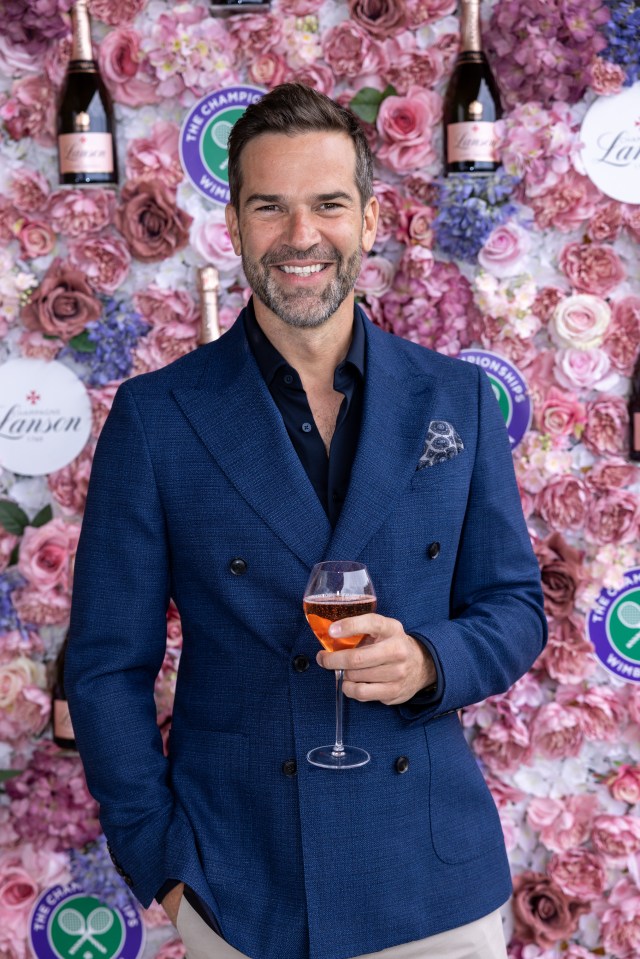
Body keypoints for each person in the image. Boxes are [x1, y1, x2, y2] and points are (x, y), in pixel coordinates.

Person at [66, 83, 547, 959]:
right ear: (237, 226)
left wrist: (431, 660)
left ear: (368, 221)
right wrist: (165, 868)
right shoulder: (156, 417)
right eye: (269, 207)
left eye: (328, 204)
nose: (300, 237)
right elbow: (105, 667)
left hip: (432, 881)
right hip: (241, 885)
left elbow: (515, 605)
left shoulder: (459, 399)